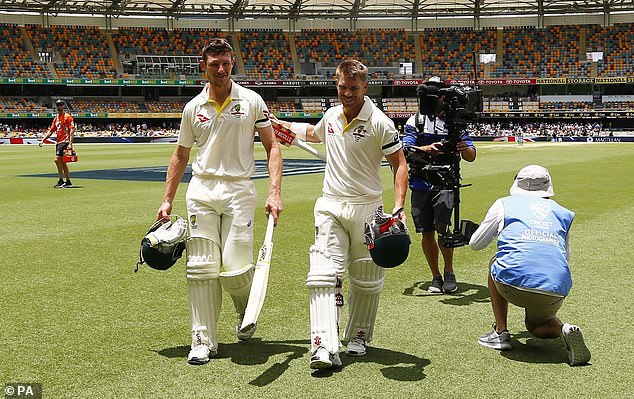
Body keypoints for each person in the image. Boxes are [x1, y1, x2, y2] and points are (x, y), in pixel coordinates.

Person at [273, 60, 408, 370]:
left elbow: (399, 164)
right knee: (325, 275)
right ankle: (323, 344)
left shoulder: (380, 122)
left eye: (354, 88)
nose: (347, 93)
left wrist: (398, 206)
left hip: (367, 207)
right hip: (331, 204)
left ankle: (358, 336)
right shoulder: (332, 115)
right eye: (342, 87)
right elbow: (314, 133)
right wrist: (278, 124)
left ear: (365, 87)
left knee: (366, 278)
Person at [155, 38, 283, 366]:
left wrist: (274, 192)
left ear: (233, 63)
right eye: (215, 64)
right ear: (204, 67)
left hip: (240, 191)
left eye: (226, 63)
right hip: (202, 191)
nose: (221, 69)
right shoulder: (192, 109)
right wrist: (167, 200)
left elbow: (272, 147)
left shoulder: (252, 101)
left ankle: (245, 310)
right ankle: (201, 339)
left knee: (236, 269)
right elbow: (181, 154)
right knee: (201, 268)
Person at [469, 165, 591, 366]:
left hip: (512, 284)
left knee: (495, 262)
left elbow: (476, 244)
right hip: (555, 288)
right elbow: (565, 255)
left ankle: (501, 332)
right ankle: (564, 329)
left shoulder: (503, 204)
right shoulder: (563, 213)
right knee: (536, 327)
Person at [402, 77, 476, 294]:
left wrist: (463, 147)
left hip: (446, 184)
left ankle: (449, 272)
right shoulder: (414, 121)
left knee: (443, 228)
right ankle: (435, 276)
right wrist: (427, 150)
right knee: (426, 232)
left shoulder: (455, 122)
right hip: (420, 183)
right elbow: (406, 150)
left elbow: (471, 156)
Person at [39, 99, 75, 188]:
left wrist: (70, 143)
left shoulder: (68, 117)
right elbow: (51, 130)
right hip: (59, 142)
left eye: (60, 105)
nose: (59, 107)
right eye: (58, 105)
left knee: (57, 159)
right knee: (62, 162)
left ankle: (61, 180)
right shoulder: (56, 118)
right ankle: (67, 181)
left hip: (65, 141)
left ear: (63, 106)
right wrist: (43, 139)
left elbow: (71, 130)